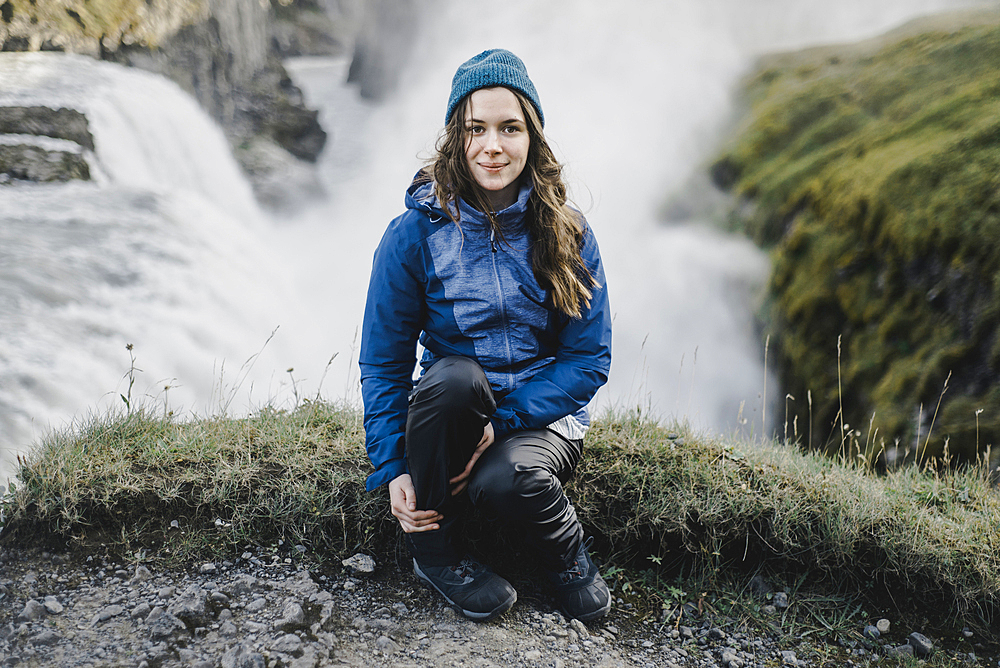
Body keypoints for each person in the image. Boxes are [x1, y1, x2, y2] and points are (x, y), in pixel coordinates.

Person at [359, 48, 612, 622]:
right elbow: (385, 363)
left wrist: (504, 422)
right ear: (456, 135)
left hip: (537, 417)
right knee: (451, 379)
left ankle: (566, 558)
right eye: (476, 128)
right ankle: (435, 552)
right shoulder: (412, 236)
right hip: (455, 409)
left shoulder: (568, 233)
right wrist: (393, 464)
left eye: (509, 128)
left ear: (533, 137)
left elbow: (588, 359)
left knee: (510, 478)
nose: (492, 146)